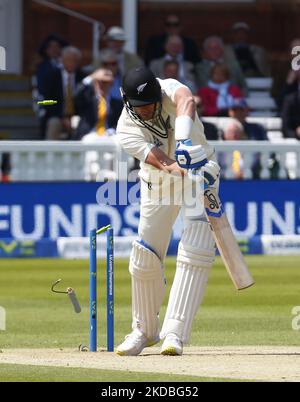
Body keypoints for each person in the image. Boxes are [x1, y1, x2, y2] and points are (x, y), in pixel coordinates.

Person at [116, 67, 220, 356]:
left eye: (151, 104)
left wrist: (187, 144)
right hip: (159, 180)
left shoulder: (168, 89)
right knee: (144, 255)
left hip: (202, 168)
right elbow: (162, 161)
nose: (147, 111)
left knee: (197, 244)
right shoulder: (126, 129)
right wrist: (185, 168)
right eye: (141, 107)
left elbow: (187, 99)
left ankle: (174, 333)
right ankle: (143, 331)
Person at [75, 68, 123, 180]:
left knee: (119, 143)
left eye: (106, 83)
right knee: (91, 142)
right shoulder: (87, 99)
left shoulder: (117, 103)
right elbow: (76, 96)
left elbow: (121, 122)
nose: (103, 85)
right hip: (91, 133)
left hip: (109, 134)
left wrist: (112, 130)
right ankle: (88, 178)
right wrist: (91, 78)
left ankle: (119, 178)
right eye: (100, 82)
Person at [43, 46, 85, 140]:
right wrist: (62, 118)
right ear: (62, 61)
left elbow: (85, 101)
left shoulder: (82, 77)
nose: (71, 63)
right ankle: (49, 152)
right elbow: (48, 101)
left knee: (80, 124)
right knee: (53, 123)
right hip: (57, 115)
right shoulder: (52, 76)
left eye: (74, 60)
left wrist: (73, 117)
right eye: (68, 60)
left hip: (76, 116)